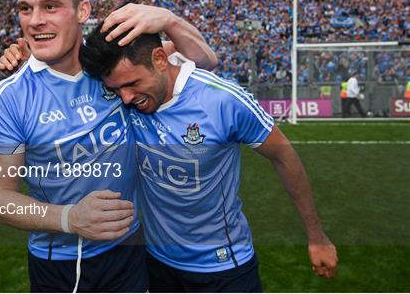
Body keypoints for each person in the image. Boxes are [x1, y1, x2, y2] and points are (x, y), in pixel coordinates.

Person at [0, 0, 217, 293]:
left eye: (50, 7)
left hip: (133, 250)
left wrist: (169, 20)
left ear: (83, 11)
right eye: (25, 9)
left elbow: (205, 62)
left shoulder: (114, 64)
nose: (34, 21)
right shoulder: (12, 95)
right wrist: (70, 218)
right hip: (63, 264)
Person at [79, 24, 338, 292]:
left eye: (133, 84)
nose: (126, 97)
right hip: (156, 263)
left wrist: (316, 236)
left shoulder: (222, 100)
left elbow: (285, 157)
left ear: (159, 60)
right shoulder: (125, 98)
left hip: (224, 268)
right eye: (117, 88)